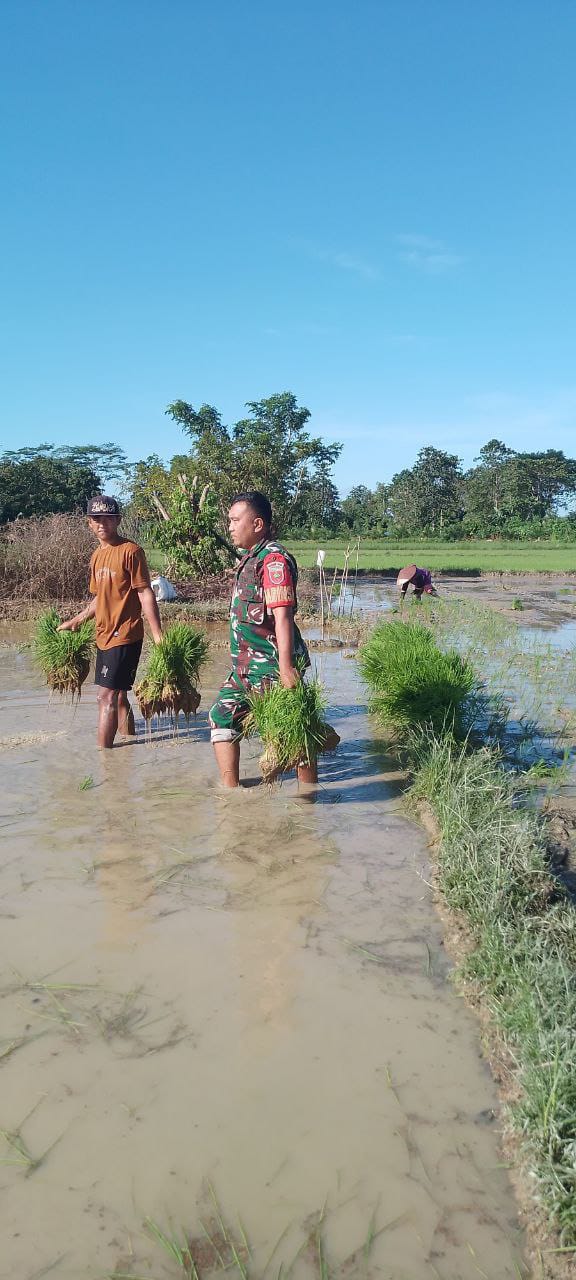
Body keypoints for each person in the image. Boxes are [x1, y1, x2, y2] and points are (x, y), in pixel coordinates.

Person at [209, 490, 314, 788]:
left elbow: (283, 616)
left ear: (257, 524)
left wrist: (285, 668)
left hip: (269, 667)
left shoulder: (274, 561)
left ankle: (309, 796)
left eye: (234, 520)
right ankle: (231, 793)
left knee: (288, 733)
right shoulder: (251, 559)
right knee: (222, 715)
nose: (229, 526)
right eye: (228, 520)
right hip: (244, 668)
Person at [58, 496, 162, 748]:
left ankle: (103, 755)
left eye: (108, 518)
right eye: (97, 519)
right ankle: (129, 741)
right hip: (103, 633)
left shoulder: (131, 551)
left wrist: (158, 634)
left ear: (117, 520)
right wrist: (78, 619)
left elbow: (145, 592)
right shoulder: (97, 555)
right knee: (119, 694)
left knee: (105, 696)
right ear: (89, 523)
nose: (102, 523)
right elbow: (99, 597)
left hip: (125, 634)